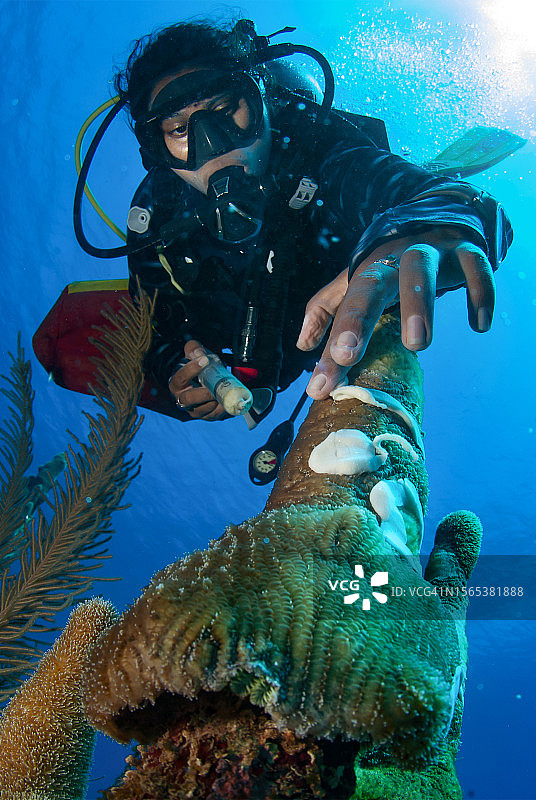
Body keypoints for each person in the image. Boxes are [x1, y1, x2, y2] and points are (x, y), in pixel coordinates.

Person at [116, 18, 512, 422]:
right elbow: (153, 328)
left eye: (224, 109)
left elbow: (424, 194)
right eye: (179, 129)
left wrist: (438, 218)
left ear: (261, 101)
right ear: (157, 152)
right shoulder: (157, 216)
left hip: (344, 295)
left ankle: (424, 178)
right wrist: (176, 371)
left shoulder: (320, 151)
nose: (214, 145)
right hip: (271, 347)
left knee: (410, 199)